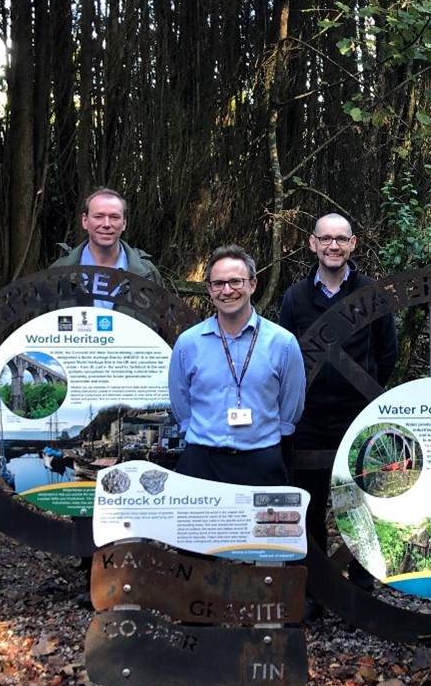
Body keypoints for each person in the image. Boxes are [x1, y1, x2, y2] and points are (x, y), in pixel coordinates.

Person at [278, 214, 399, 587]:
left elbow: (387, 354)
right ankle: (314, 586)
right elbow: (284, 353)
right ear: (312, 243)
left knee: (359, 501)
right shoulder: (295, 297)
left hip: (356, 414)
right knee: (309, 503)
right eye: (326, 239)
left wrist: (363, 396)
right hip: (309, 417)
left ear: (353, 244)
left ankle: (361, 584)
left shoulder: (371, 293)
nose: (333, 245)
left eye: (341, 239)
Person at [169, 245, 305, 486]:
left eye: (235, 281)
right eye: (219, 283)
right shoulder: (187, 344)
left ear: (252, 284)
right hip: (202, 463)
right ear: (210, 289)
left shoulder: (282, 343)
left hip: (261, 463)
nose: (227, 290)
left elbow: (290, 407)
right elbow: (182, 406)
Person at [50, 187, 164, 286]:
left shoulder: (147, 273)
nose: (106, 224)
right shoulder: (59, 271)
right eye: (99, 216)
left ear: (124, 223)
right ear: (85, 221)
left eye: (114, 217)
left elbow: (163, 310)